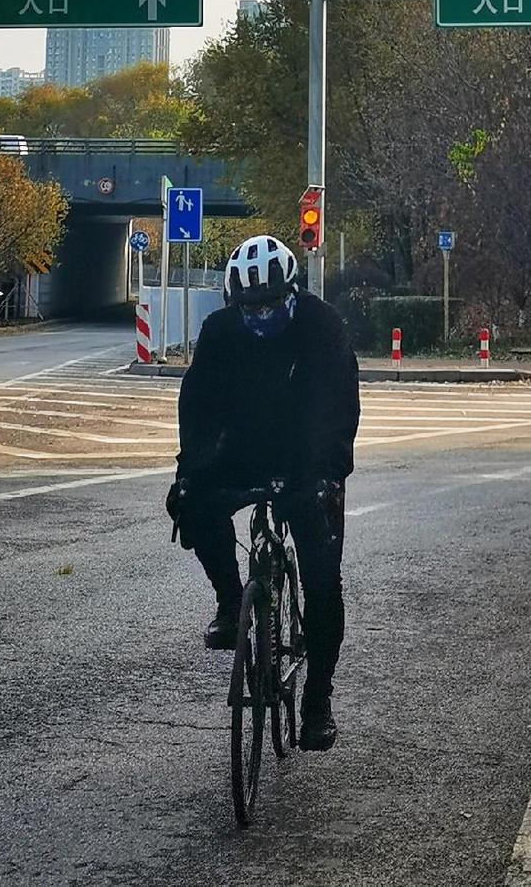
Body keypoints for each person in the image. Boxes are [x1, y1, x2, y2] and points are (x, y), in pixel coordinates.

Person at [166, 234, 360, 752]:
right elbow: (198, 406)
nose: (262, 317)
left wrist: (327, 475)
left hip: (307, 455)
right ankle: (232, 603)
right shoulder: (220, 332)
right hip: (244, 449)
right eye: (251, 308)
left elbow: (338, 409)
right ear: (235, 303)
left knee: (323, 582)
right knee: (194, 503)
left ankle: (317, 699)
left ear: (293, 293)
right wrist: (189, 472)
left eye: (273, 304)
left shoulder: (323, 327)